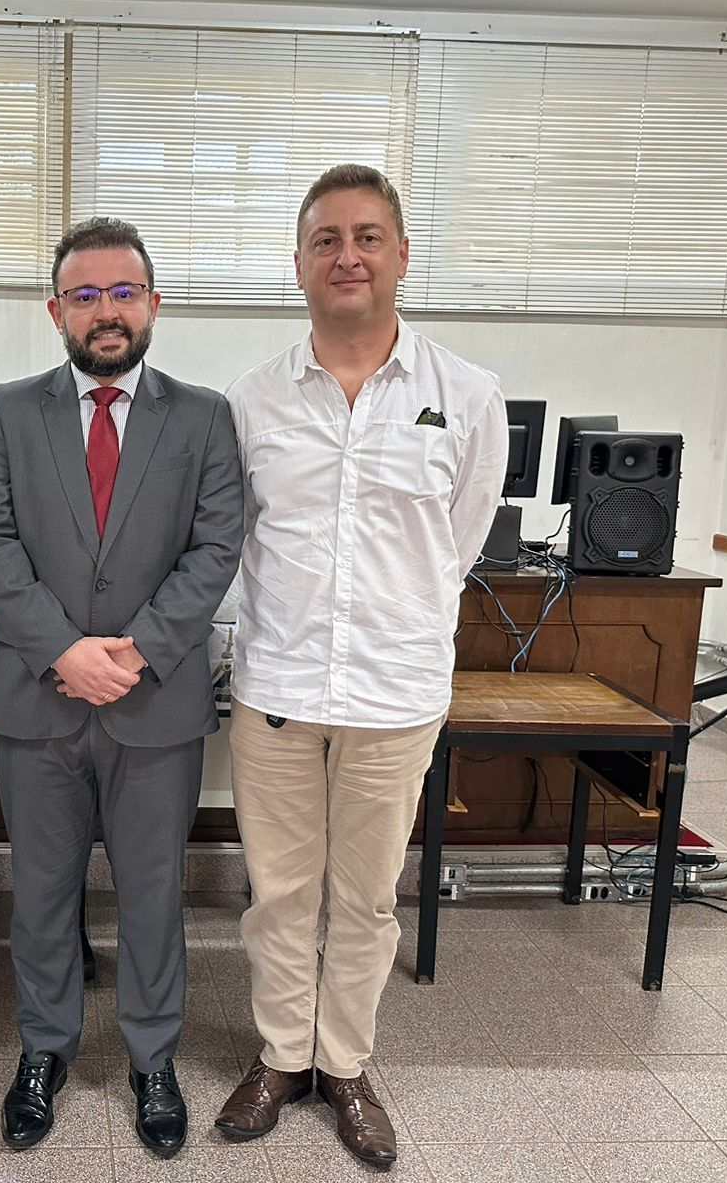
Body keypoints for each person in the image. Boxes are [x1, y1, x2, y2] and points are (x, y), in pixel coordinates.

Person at [214, 164, 508, 1167]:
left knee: (367, 896)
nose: (348, 254)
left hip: (395, 691)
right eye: (326, 238)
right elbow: (239, 542)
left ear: (400, 256)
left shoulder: (466, 396)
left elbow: (457, 543)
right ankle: (280, 1055)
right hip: (278, 688)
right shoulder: (250, 402)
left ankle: (344, 1063)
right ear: (298, 265)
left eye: (368, 236)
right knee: (279, 891)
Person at [0, 217, 244, 1159]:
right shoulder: (6, 411)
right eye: (84, 295)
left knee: (154, 890)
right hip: (40, 700)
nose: (106, 311)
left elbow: (216, 548)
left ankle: (152, 1059)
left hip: (153, 700)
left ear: (154, 304)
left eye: (124, 292)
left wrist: (137, 651)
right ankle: (42, 1051)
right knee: (41, 892)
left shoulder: (203, 416)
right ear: (56, 312)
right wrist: (62, 651)